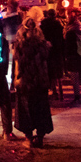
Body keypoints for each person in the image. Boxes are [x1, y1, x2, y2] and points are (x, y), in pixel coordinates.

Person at [13, 17, 53, 146]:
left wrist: (16, 81)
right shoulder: (43, 46)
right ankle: (40, 138)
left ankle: (29, 138)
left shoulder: (19, 46)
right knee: (41, 108)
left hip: (25, 81)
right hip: (40, 81)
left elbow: (17, 64)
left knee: (26, 109)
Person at [64, 10, 81, 105]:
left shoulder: (70, 33)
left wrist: (66, 57)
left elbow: (67, 46)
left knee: (75, 79)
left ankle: (77, 97)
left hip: (73, 58)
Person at [40, 9, 64, 100]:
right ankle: (56, 92)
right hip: (56, 51)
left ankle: (49, 91)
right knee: (56, 73)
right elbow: (61, 39)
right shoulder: (58, 25)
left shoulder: (43, 25)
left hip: (46, 51)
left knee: (47, 72)